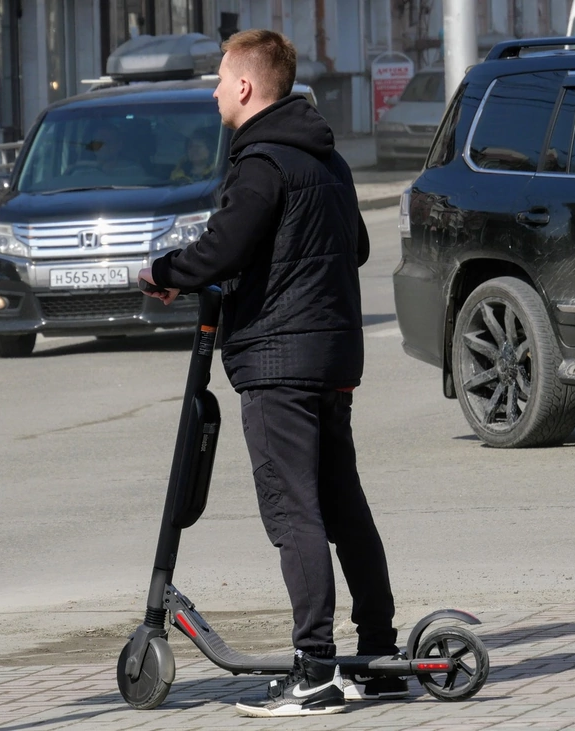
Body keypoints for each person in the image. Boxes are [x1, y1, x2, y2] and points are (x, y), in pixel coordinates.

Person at [137, 29, 400, 718]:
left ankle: (314, 668)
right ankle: (380, 653)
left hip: (279, 360)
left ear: (248, 87)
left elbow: (224, 247)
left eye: (222, 78)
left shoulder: (260, 161)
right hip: (334, 357)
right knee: (343, 506)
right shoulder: (326, 160)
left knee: (295, 513)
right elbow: (357, 243)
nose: (215, 89)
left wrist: (163, 272)